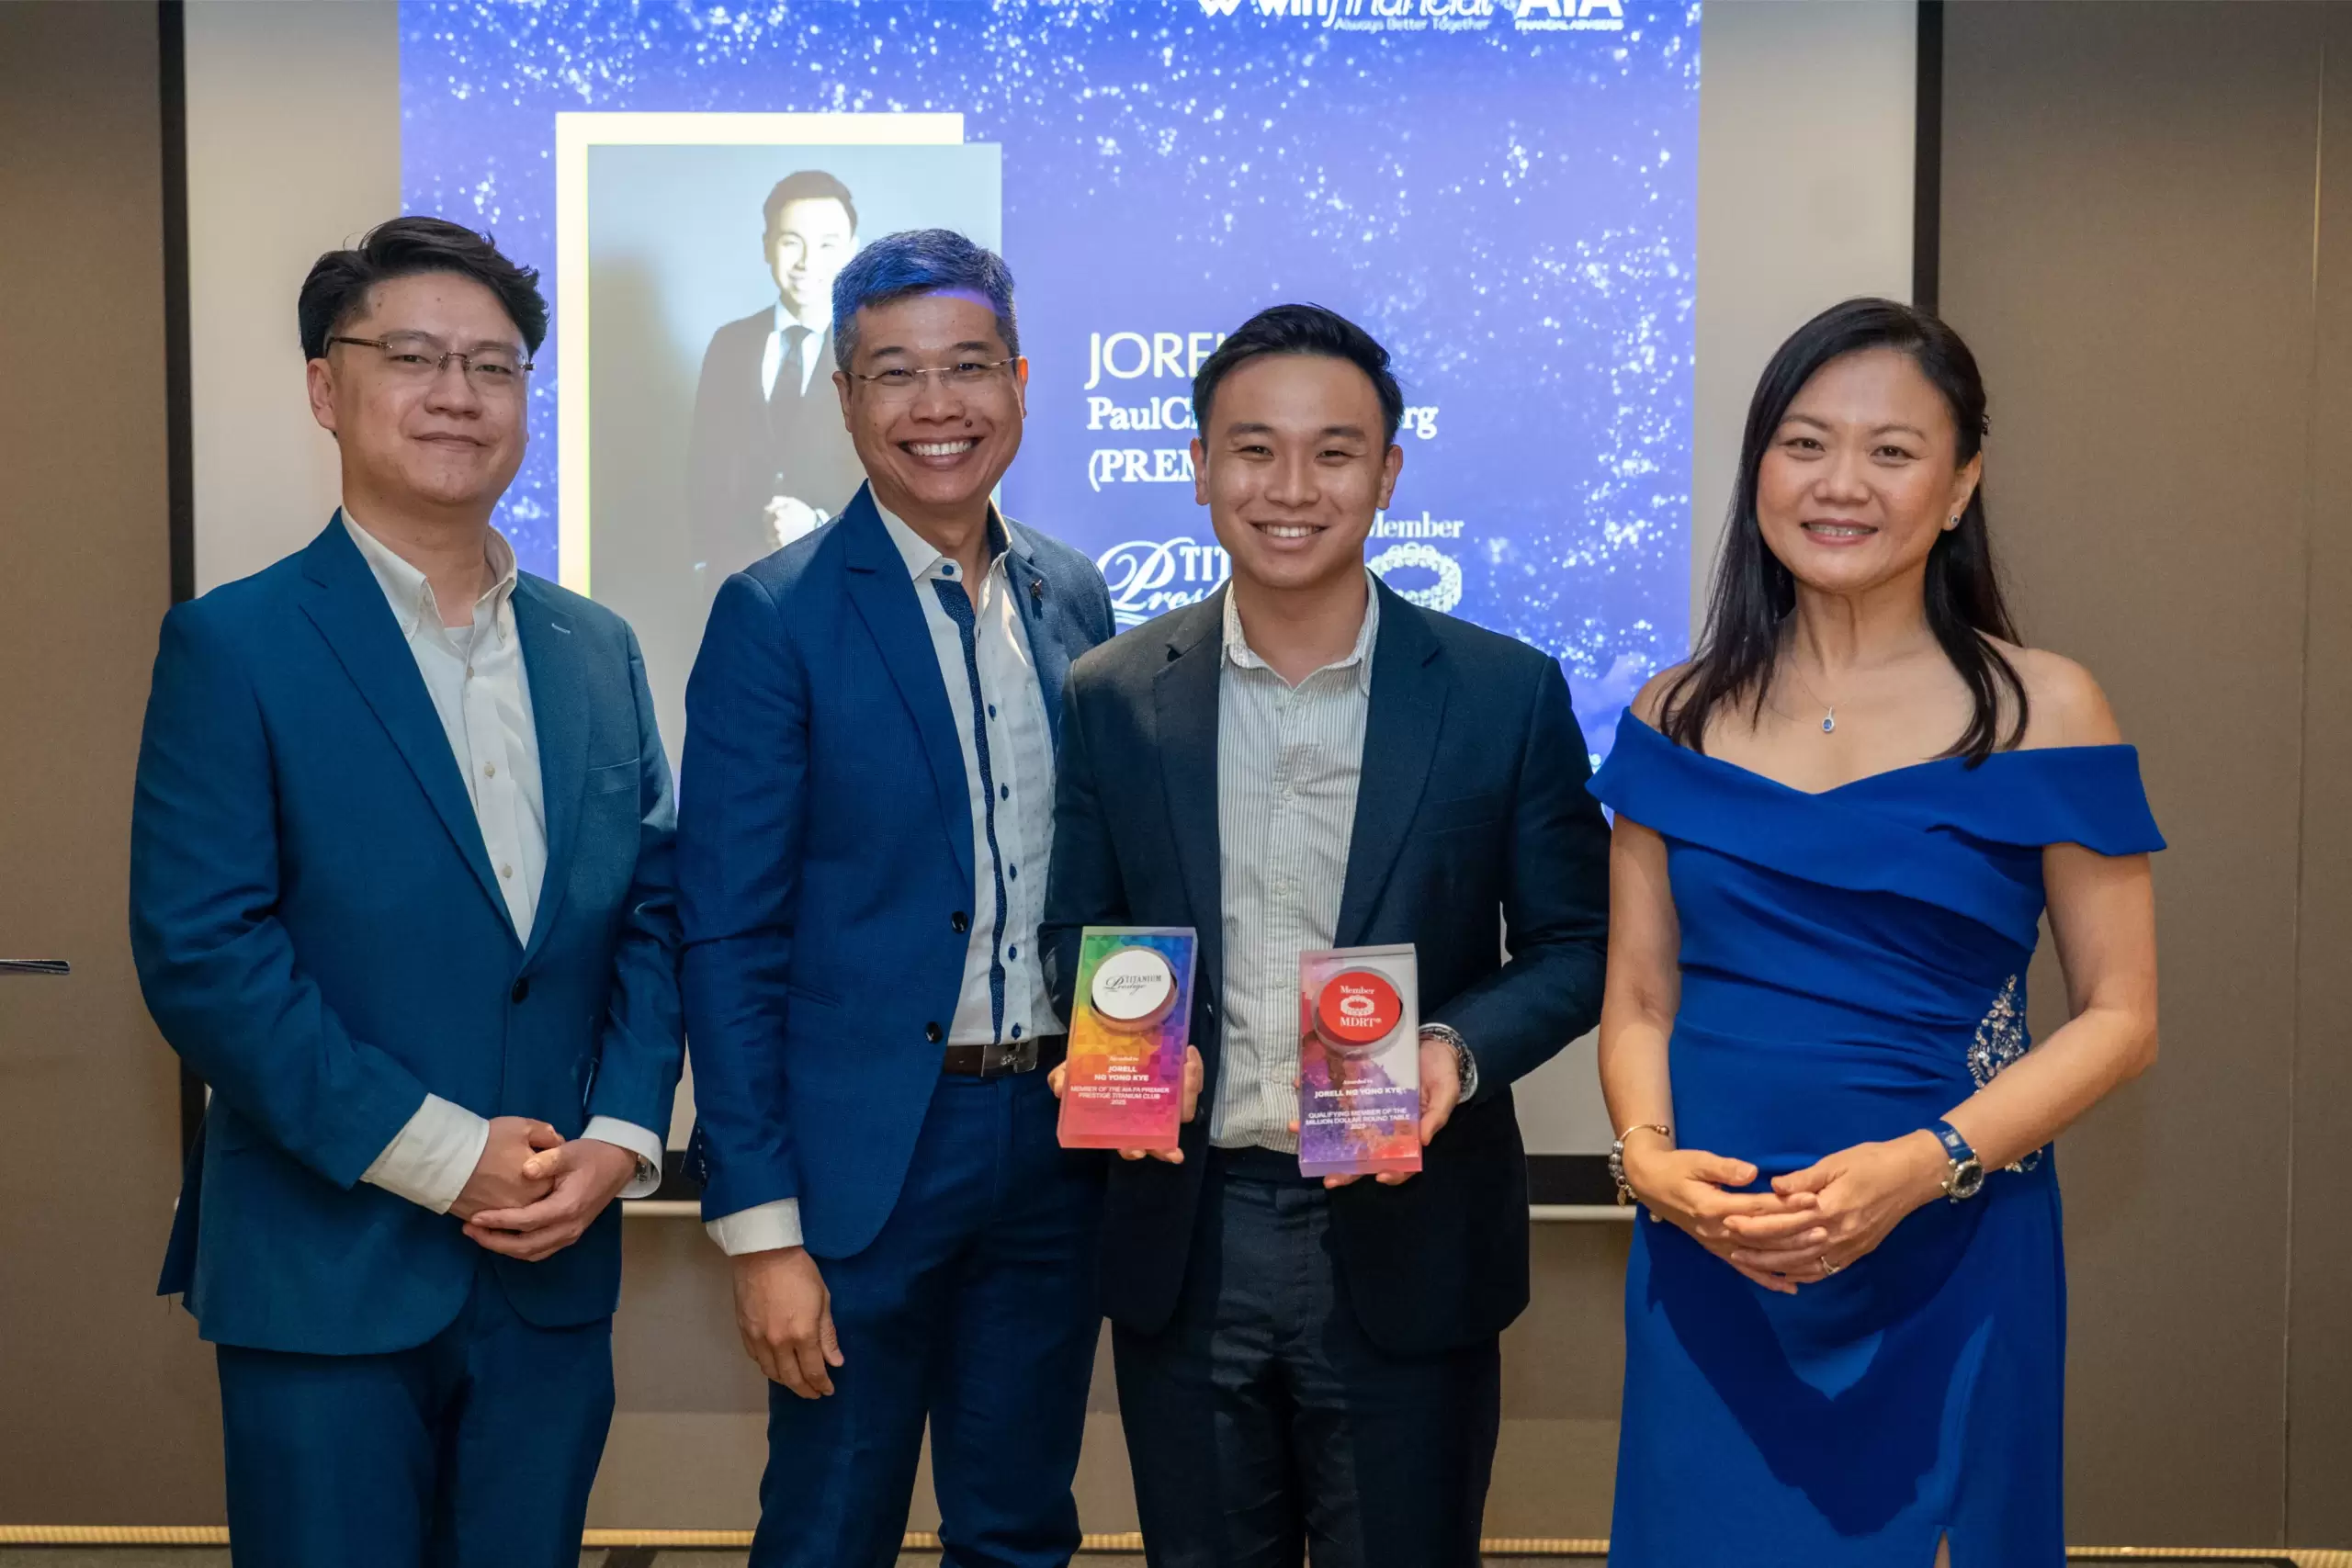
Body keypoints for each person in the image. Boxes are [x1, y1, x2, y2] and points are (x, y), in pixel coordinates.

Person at [129, 217, 684, 1568]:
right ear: (328, 388)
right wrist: (442, 1152)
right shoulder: (234, 643)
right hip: (325, 1269)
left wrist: (619, 1135)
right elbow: (206, 953)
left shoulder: (596, 647)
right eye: (415, 357)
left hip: (551, 1266)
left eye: (493, 366)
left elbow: (655, 913)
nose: (457, 394)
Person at [1594, 298, 2164, 1567]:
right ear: (1759, 469)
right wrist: (1648, 1162)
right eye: (1804, 443)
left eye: (1891, 451)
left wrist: (1924, 1164)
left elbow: (2122, 1016)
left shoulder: (2046, 706)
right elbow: (1637, 997)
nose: (1840, 482)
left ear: (1960, 486)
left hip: (1951, 1244)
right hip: (1714, 1251)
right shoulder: (1671, 714)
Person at [1042, 303, 1612, 1568]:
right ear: (1198, 467)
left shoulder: (1500, 692)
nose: (1291, 488)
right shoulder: (1116, 695)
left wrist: (1453, 1050)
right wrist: (1122, 1045)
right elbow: (1077, 927)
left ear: (1388, 472)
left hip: (1411, 1234)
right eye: (1254, 449)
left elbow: (1579, 941)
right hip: (1190, 1232)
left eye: (1334, 451)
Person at [678, 229, 1117, 1568]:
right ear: (846, 396)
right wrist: (762, 1235)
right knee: (829, 1528)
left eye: (969, 366)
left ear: (1021, 382)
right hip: (862, 1165)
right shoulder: (775, 616)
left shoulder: (1072, 593)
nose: (938, 406)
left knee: (1021, 1526)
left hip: (1055, 1145)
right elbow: (727, 937)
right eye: (895, 373)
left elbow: (1103, 877)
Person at [688, 169, 869, 595]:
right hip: (737, 583)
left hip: (842, 579)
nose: (807, 262)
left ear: (852, 251)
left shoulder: (877, 350)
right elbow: (704, 461)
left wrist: (818, 524)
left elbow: (894, 479)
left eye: (827, 245)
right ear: (767, 246)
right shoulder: (730, 343)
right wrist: (704, 560)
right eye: (792, 242)